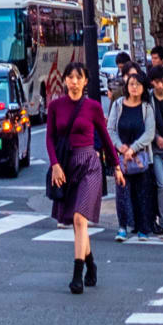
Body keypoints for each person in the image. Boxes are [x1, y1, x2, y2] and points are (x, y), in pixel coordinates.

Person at [46, 60, 121, 293]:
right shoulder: (55, 106)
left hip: (89, 163)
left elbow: (105, 137)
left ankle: (77, 274)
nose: (74, 81)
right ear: (65, 80)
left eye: (79, 77)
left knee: (80, 219)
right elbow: (49, 138)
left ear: (86, 81)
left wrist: (116, 166)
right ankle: (90, 264)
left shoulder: (93, 107)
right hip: (66, 165)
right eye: (70, 77)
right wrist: (55, 165)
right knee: (75, 222)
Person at [112, 71, 163, 247]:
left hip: (142, 157)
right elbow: (110, 129)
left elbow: (150, 132)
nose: (134, 87)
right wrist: (121, 147)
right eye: (131, 84)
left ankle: (143, 227)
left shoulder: (146, 107)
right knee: (122, 193)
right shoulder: (118, 105)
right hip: (122, 157)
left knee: (143, 193)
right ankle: (123, 227)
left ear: (143, 87)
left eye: (138, 84)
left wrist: (133, 148)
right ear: (126, 87)